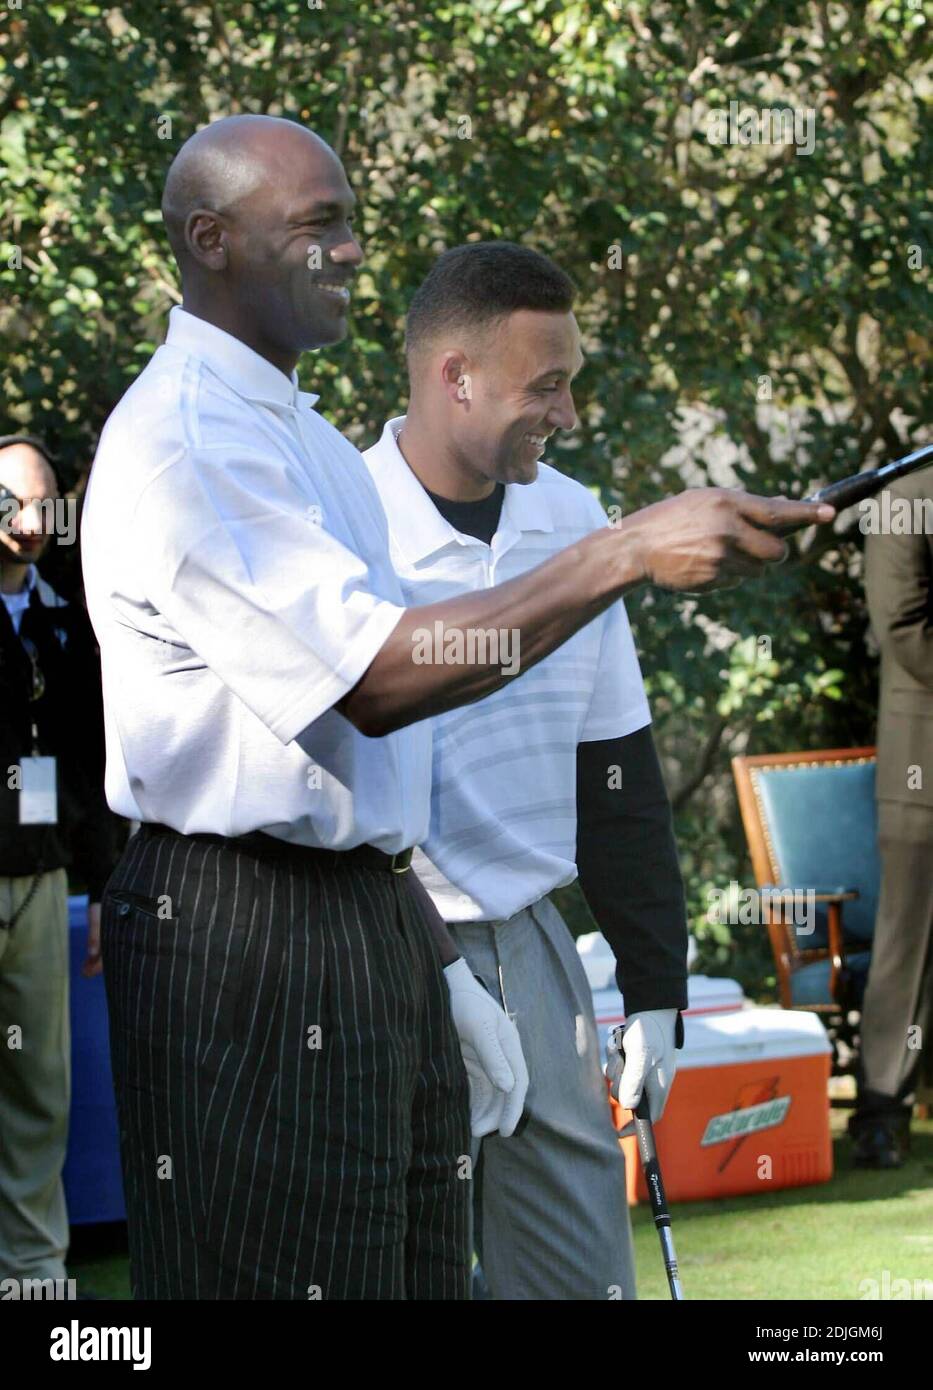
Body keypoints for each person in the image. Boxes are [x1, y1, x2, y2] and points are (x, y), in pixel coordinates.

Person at [80, 113, 834, 1300]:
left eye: (351, 223)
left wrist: (431, 951)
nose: (350, 253)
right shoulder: (190, 440)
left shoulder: (302, 440)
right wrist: (626, 549)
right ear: (212, 241)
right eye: (315, 226)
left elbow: (404, 771)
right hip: (247, 924)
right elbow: (377, 681)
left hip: (376, 917)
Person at [364, 241, 692, 1299]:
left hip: (539, 950)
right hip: (377, 947)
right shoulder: (342, 517)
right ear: (455, 376)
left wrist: (657, 989)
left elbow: (619, 772)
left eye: (571, 383)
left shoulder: (578, 519)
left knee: (580, 1278)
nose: (567, 413)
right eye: (544, 386)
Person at [0, 433, 117, 1287]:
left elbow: (84, 758)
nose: (29, 520)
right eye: (13, 502)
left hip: (42, 881)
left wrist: (104, 884)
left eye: (44, 502)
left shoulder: (64, 619)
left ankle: (35, 1275)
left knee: (39, 1091)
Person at [850, 463, 933, 1167]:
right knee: (908, 940)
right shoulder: (901, 499)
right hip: (923, 764)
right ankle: (880, 1111)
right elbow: (901, 628)